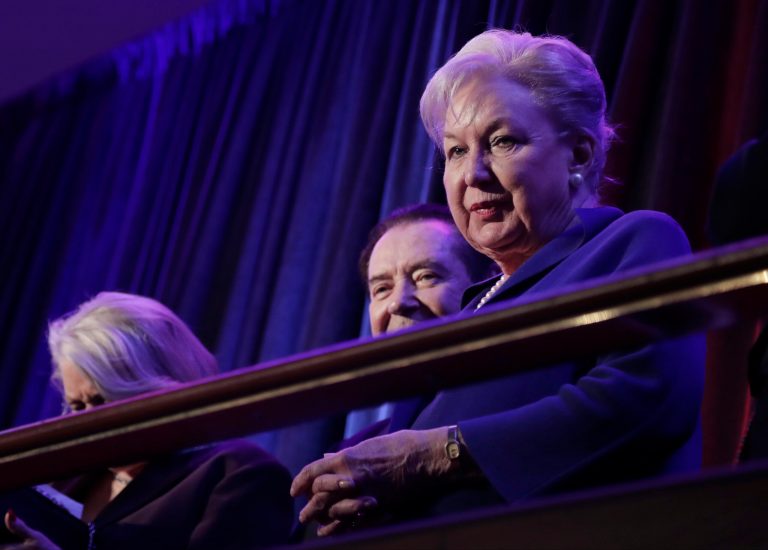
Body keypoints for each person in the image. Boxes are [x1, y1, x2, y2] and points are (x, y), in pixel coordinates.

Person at [291, 29, 705, 536]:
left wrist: (437, 455)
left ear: (578, 155)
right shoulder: (468, 311)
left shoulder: (632, 242)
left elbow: (644, 399)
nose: (473, 175)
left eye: (502, 141)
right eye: (456, 152)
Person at [4, 292, 294, 549]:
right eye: (77, 406)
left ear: (157, 385)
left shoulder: (236, 473)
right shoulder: (62, 477)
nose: (86, 422)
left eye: (102, 400)